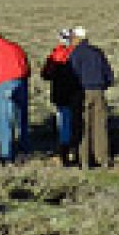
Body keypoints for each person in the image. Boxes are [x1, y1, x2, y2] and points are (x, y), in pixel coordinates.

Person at [67, 26, 115, 169]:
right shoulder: (97, 52)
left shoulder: (76, 53)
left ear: (77, 38)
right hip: (99, 91)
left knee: (83, 125)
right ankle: (103, 158)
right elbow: (108, 73)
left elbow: (72, 75)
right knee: (100, 126)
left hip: (82, 92)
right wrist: (104, 85)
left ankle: (85, 160)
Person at [39, 29, 84, 165]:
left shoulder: (55, 54)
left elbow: (45, 74)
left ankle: (64, 153)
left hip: (60, 93)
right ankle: (76, 150)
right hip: (76, 92)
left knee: (64, 123)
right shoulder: (76, 52)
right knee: (76, 121)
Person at [0, 30, 31, 163]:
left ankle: (6, 154)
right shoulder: (16, 47)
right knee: (21, 119)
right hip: (21, 82)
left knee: (3, 120)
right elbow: (27, 67)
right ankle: (24, 149)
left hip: (4, 83)